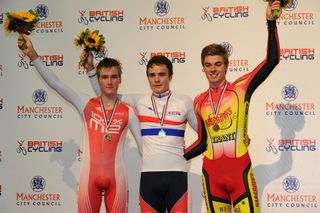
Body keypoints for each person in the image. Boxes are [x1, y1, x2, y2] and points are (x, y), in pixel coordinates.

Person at [18, 36, 142, 213]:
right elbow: (56, 84)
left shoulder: (128, 111)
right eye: (105, 77)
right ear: (98, 80)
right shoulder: (85, 103)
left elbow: (144, 148)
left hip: (117, 180)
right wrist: (33, 55)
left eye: (114, 77)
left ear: (120, 79)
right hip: (88, 180)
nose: (109, 81)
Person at [183, 1, 281, 212]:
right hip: (212, 176)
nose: (213, 69)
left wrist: (270, 23)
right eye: (208, 65)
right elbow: (202, 142)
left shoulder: (241, 89)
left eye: (218, 64)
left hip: (240, 173)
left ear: (227, 66)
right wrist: (175, 155)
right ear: (203, 68)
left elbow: (272, 60)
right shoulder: (199, 101)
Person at [87, 55, 198, 213]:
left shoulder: (184, 101)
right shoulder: (139, 101)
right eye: (152, 75)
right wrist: (91, 70)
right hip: (149, 178)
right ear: (148, 78)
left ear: (170, 76)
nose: (157, 79)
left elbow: (205, 134)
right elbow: (106, 93)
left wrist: (186, 155)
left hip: (177, 177)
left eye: (162, 74)